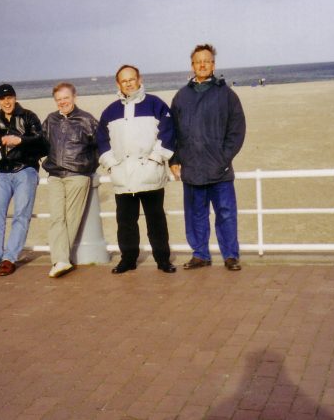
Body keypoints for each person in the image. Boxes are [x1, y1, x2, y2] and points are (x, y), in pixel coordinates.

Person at [171, 43, 246, 271]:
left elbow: (237, 131)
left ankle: (230, 256)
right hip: (192, 169)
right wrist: (174, 159)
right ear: (192, 65)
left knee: (226, 214)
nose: (202, 64)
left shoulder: (227, 95)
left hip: (220, 170)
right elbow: (171, 132)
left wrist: (223, 159)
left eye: (207, 61)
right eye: (198, 61)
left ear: (213, 65)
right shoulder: (181, 97)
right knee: (195, 215)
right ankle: (200, 254)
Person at [97, 64, 177, 275]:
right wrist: (111, 164)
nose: (129, 83)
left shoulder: (155, 104)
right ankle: (128, 259)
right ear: (118, 84)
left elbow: (168, 134)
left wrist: (156, 160)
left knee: (156, 220)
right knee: (125, 222)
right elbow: (101, 141)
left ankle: (163, 260)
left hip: (150, 173)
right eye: (124, 81)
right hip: (123, 176)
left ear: (139, 79)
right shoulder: (110, 111)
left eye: (132, 79)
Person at [0, 83, 47, 278]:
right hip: (3, 172)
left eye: (9, 98)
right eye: (2, 99)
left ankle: (9, 258)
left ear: (15, 98)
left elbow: (42, 142)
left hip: (26, 170)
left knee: (21, 215)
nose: (6, 102)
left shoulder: (28, 116)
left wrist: (21, 140)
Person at [42, 81, 99, 278]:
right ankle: (62, 260)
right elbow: (42, 144)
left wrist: (88, 167)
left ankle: (60, 260)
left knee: (71, 218)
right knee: (57, 218)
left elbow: (99, 146)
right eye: (58, 99)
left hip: (78, 175)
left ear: (74, 97)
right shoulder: (50, 120)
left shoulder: (87, 120)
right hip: (55, 175)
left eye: (66, 98)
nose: (62, 102)